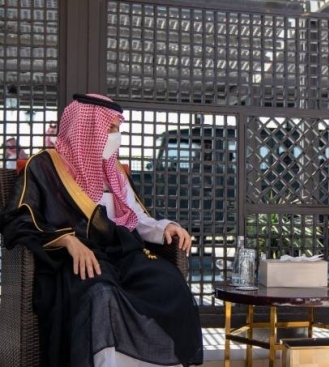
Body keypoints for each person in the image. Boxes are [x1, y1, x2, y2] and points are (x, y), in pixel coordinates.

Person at [0, 93, 203, 367]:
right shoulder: (45, 166)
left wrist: (166, 227)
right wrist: (67, 242)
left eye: (118, 129)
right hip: (79, 260)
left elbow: (136, 219)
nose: (115, 136)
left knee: (169, 284)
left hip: (124, 254)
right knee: (101, 295)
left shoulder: (114, 171)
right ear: (86, 128)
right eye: (110, 129)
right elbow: (19, 219)